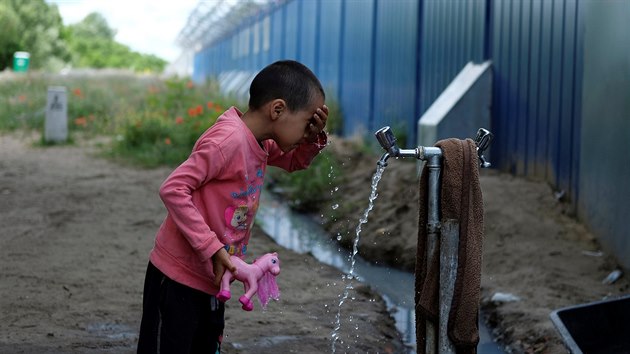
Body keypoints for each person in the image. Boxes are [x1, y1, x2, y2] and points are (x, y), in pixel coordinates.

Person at [137, 60, 328, 353]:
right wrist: (212, 247)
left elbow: (294, 161)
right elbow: (173, 189)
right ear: (277, 110)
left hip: (213, 276)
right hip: (178, 275)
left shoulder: (261, 141)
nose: (307, 131)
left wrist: (312, 139)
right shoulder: (228, 140)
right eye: (306, 124)